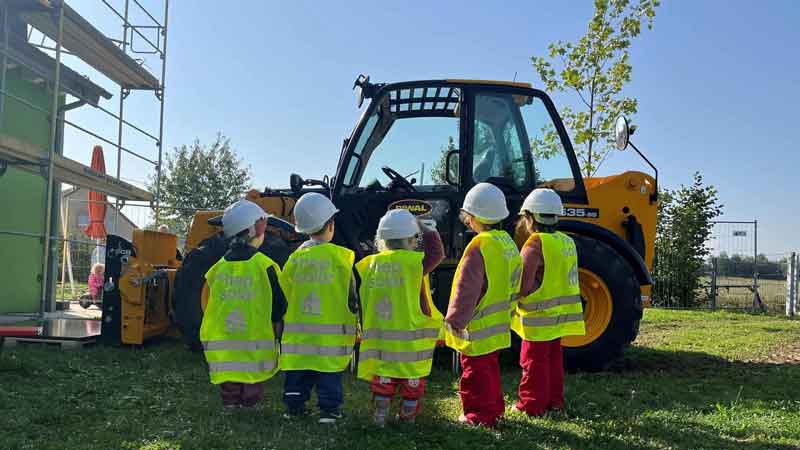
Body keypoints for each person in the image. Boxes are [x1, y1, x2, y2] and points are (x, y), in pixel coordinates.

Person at [356, 209, 445, 426]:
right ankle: (407, 417)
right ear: (411, 238)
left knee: (383, 380)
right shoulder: (415, 263)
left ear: (382, 239)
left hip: (382, 342)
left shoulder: (370, 264)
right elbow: (437, 254)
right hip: (411, 344)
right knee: (412, 384)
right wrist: (428, 229)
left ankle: (379, 415)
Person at [445, 183, 522, 428]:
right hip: (499, 323)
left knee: (474, 375)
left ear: (474, 218)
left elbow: (467, 290)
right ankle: (494, 410)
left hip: (477, 325)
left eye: (468, 217)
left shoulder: (479, 246)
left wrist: (455, 320)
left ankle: (477, 416)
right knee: (489, 371)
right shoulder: (507, 243)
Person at [200, 199, 287, 409]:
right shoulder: (266, 266)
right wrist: (277, 321)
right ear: (255, 229)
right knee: (252, 371)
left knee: (229, 370)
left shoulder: (216, 269)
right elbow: (279, 303)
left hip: (225, 336)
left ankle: (230, 401)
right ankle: (250, 403)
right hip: (254, 336)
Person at [279, 192, 357, 424]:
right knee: (328, 373)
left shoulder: (295, 259)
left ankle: (293, 408)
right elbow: (352, 294)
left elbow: (285, 291)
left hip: (299, 335)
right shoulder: (342, 258)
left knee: (297, 373)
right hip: (331, 337)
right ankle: (329, 411)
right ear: (331, 225)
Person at [512, 188, 585, 416]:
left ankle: (530, 406)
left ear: (531, 218)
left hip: (538, 318)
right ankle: (555, 402)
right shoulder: (566, 242)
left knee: (533, 362)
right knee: (553, 361)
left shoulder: (534, 245)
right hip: (560, 316)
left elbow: (523, 286)